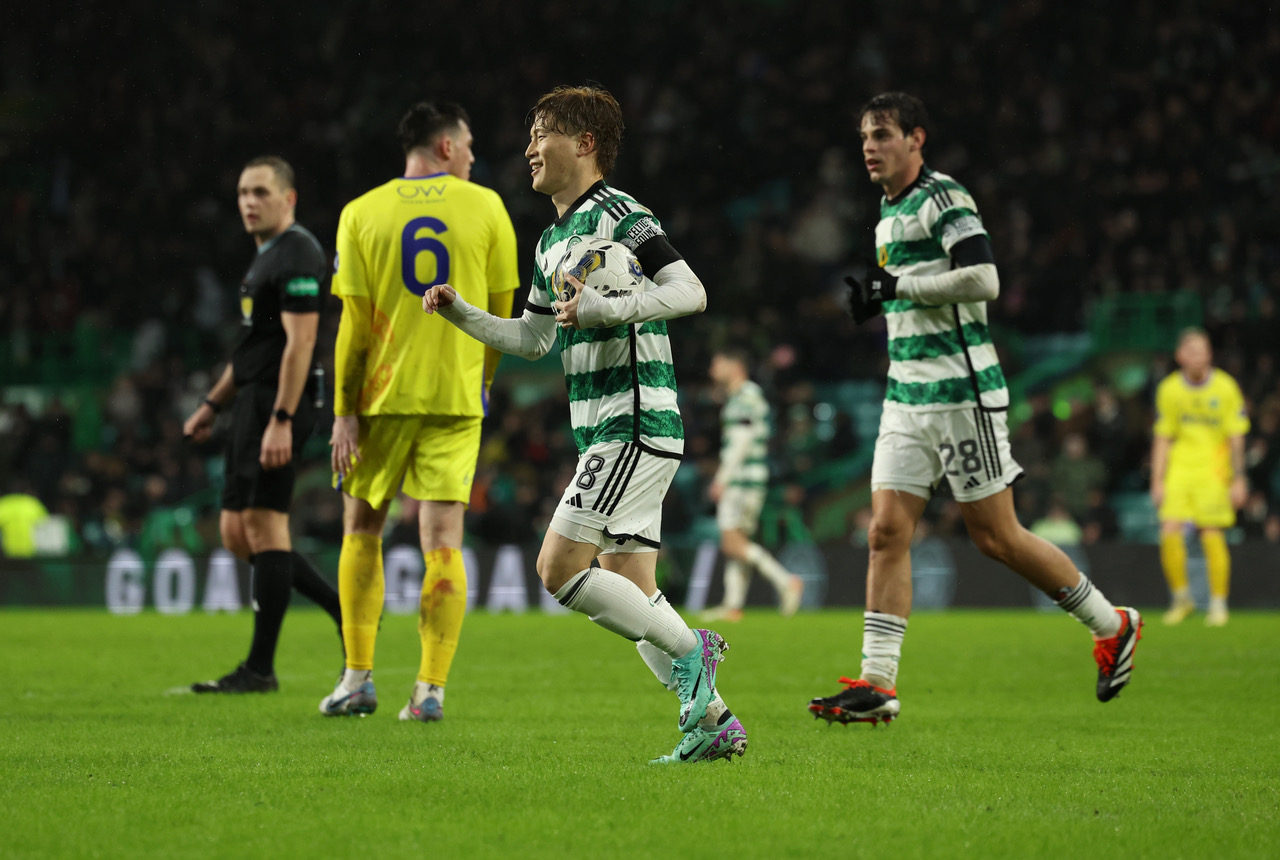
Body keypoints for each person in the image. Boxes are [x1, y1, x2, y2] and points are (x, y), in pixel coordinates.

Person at [422, 85, 746, 764]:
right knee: (630, 583)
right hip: (600, 425)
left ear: (585, 143)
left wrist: (606, 311)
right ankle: (713, 722)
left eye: (543, 133)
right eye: (530, 134)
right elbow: (533, 341)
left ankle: (695, 652)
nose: (529, 148)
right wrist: (460, 314)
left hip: (633, 417)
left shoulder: (621, 214)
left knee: (559, 569)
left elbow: (691, 291)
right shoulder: (551, 241)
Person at [808, 93, 1142, 725]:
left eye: (881, 134)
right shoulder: (887, 212)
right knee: (884, 532)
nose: (869, 148)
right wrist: (883, 302)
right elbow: (915, 291)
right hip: (905, 393)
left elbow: (983, 278)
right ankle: (878, 683)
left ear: (916, 139)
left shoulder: (944, 198)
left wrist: (899, 287)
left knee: (996, 537)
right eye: (863, 138)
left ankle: (1112, 623)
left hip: (962, 393)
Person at [318, 101, 519, 723]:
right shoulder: (486, 205)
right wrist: (479, 386)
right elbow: (504, 313)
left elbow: (352, 326)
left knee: (361, 529)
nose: (475, 156)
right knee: (442, 545)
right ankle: (430, 689)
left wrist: (343, 411)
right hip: (456, 399)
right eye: (471, 144)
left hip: (380, 397)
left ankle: (356, 680)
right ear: (448, 148)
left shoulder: (361, 212)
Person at [185, 156, 344, 693]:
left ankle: (259, 669)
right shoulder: (264, 258)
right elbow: (254, 347)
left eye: (260, 192)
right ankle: (342, 607)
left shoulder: (298, 251)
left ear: (288, 198)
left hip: (279, 403)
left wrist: (281, 417)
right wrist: (212, 404)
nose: (249, 202)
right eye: (242, 193)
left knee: (266, 527)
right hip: (251, 401)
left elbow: (301, 342)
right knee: (236, 533)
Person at [1151, 328, 1249, 626]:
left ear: (1210, 354)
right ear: (1180, 355)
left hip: (1213, 471)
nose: (1199, 356)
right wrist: (1157, 479)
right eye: (1192, 350)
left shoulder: (1226, 387)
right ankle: (1182, 599)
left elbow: (1236, 436)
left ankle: (1218, 604)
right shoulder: (1169, 389)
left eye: (1203, 350)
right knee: (1169, 531)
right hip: (1180, 470)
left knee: (1211, 532)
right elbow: (1163, 438)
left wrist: (1239, 477)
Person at [702, 348, 803, 621]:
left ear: (735, 366)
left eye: (718, 361)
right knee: (740, 543)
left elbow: (742, 441)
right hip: (750, 478)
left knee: (732, 543)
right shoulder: (743, 396)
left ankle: (786, 582)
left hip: (741, 479)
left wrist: (722, 478)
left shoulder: (746, 396)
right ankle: (733, 605)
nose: (713, 366)